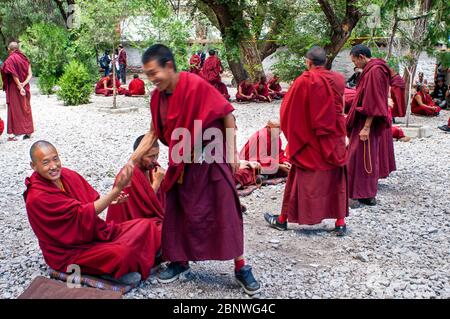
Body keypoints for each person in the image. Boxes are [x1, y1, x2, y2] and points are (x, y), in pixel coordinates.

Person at [130, 44, 260, 295]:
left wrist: (232, 153)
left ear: (169, 66)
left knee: (227, 208)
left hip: (211, 159)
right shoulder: (157, 97)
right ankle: (180, 262)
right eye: (148, 75)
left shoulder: (194, 85)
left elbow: (227, 115)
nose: (151, 79)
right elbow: (153, 132)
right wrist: (131, 162)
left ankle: (241, 266)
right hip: (182, 162)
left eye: (153, 73)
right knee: (179, 209)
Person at [24, 141, 161, 285]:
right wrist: (115, 191)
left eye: (55, 159)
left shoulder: (67, 175)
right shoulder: (37, 197)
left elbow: (89, 203)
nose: (53, 166)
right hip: (70, 251)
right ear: (33, 166)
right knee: (121, 253)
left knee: (147, 225)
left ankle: (128, 265)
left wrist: (111, 200)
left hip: (94, 233)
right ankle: (112, 271)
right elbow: (81, 213)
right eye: (46, 162)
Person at [264, 46, 348, 236]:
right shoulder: (338, 79)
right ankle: (340, 222)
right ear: (325, 62)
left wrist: (295, 135)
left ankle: (282, 220)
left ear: (308, 62)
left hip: (310, 139)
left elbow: (289, 112)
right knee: (335, 177)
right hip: (333, 138)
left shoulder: (304, 80)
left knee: (300, 177)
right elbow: (340, 109)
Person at [346, 44, 391, 206]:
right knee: (366, 156)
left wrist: (366, 127)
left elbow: (373, 101)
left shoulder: (375, 71)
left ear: (361, 57)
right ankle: (366, 194)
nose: (355, 65)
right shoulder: (372, 70)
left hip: (366, 122)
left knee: (359, 157)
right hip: (364, 120)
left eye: (355, 61)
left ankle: (360, 194)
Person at [107, 135, 165, 225]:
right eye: (150, 156)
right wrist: (156, 184)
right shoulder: (128, 176)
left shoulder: (154, 169)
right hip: (134, 224)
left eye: (157, 155)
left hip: (153, 219)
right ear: (139, 155)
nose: (155, 160)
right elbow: (143, 208)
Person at [0, 42, 34, 141]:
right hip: (24, 86)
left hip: (14, 88)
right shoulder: (25, 58)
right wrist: (24, 84)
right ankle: (29, 132)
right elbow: (30, 74)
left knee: (13, 110)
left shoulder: (10, 59)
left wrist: (19, 86)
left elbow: (13, 74)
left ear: (10, 49)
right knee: (26, 108)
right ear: (17, 48)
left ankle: (11, 135)